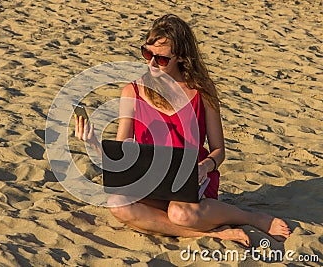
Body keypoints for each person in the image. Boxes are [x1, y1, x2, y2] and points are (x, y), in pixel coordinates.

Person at [74, 14, 291, 246]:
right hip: (150, 180)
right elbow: (122, 149)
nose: (151, 63)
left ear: (179, 57)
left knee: (179, 214)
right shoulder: (132, 91)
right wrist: (95, 145)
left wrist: (205, 167)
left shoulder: (202, 91)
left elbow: (219, 150)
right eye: (147, 54)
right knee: (117, 202)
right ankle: (214, 233)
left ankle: (250, 217)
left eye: (161, 59)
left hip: (193, 182)